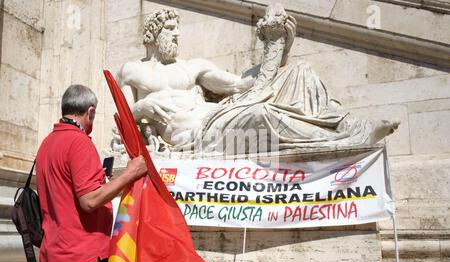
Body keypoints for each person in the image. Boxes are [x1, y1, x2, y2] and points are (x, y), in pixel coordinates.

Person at [115, 7, 398, 155]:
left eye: (178, 30)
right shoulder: (131, 71)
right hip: (190, 135)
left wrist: (280, 48)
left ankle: (349, 130)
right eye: (170, 29)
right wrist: (140, 110)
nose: (176, 36)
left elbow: (239, 85)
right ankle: (344, 139)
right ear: (152, 34)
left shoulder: (193, 67)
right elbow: (121, 120)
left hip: (216, 117)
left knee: (301, 72)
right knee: (262, 113)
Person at [35, 84, 147, 262]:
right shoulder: (79, 142)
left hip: (56, 253)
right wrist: (130, 173)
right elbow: (89, 200)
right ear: (90, 112)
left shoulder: (47, 143)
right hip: (78, 257)